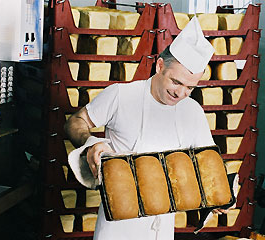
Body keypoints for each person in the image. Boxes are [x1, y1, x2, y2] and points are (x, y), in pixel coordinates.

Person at [65, 16, 222, 240]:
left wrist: (218, 195)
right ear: (159, 66)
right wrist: (91, 144)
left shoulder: (193, 112)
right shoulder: (121, 95)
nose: (181, 93)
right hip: (116, 227)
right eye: (176, 82)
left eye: (190, 87)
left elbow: (207, 165)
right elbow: (75, 121)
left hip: (163, 227)